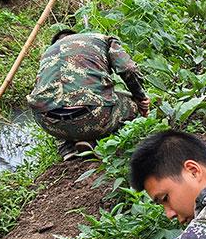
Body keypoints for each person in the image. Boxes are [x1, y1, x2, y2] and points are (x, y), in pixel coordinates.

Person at [27, 28, 149, 160]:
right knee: (130, 103)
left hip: (48, 123)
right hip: (93, 117)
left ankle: (66, 147)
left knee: (51, 102)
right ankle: (97, 141)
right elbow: (128, 69)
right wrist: (140, 97)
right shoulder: (104, 40)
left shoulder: (48, 53)